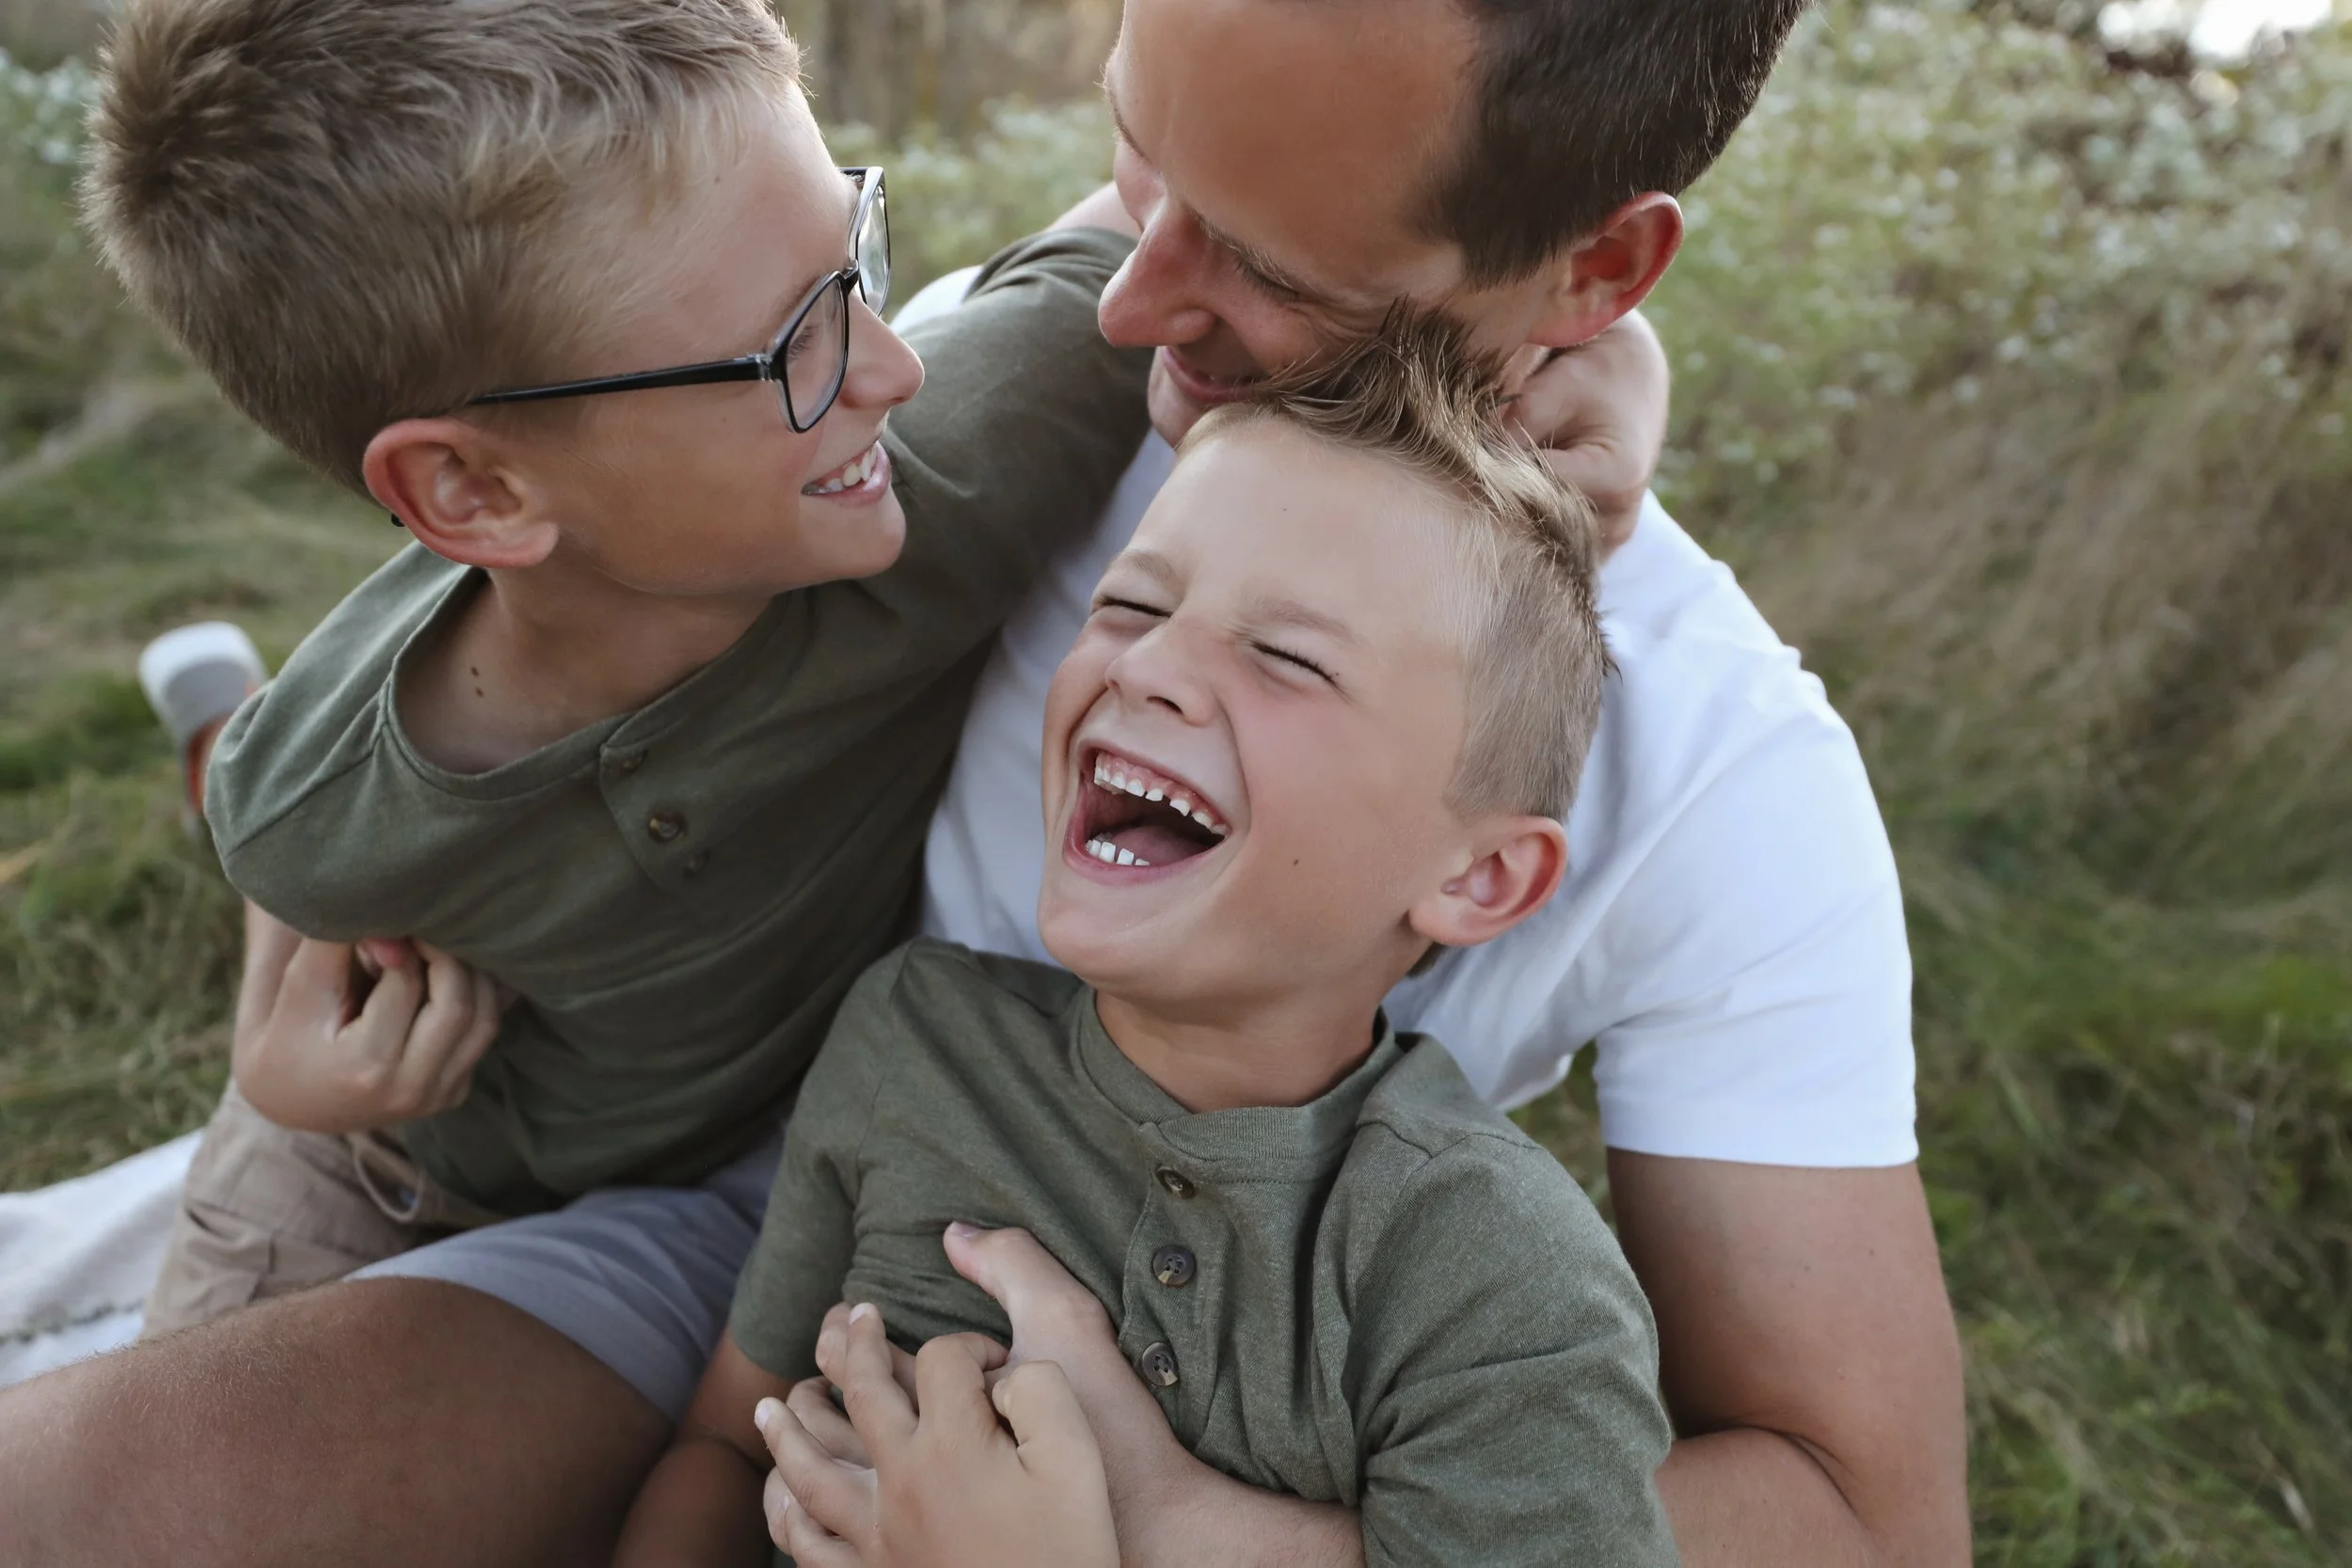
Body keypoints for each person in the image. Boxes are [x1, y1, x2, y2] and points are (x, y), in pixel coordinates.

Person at [0, 5, 1964, 1568]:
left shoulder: (1721, 774)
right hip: (706, 1210)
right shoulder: (971, 399)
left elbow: (1865, 1514)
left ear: (1597, 267)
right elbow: (511, 605)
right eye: (1139, 159)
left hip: (1165, 1346)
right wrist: (292, 893)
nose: (1135, 298)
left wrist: (1201, 1528)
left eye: (1258, 257)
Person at [80, 0, 1152, 1362]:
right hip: (382, 1165)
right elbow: (280, 838)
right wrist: (270, 1066)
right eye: (793, 346)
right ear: (473, 487)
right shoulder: (329, 787)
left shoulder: (940, 477)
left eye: (856, 256)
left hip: (722, 1187)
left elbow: (1159, 204)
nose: (894, 364)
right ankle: (214, 711)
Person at [619, 323, 1675, 1568]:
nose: (1155, 664)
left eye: (1287, 655)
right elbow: (729, 1445)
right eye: (1130, 602)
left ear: (1482, 874)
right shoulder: (914, 1038)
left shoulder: (1497, 1283)